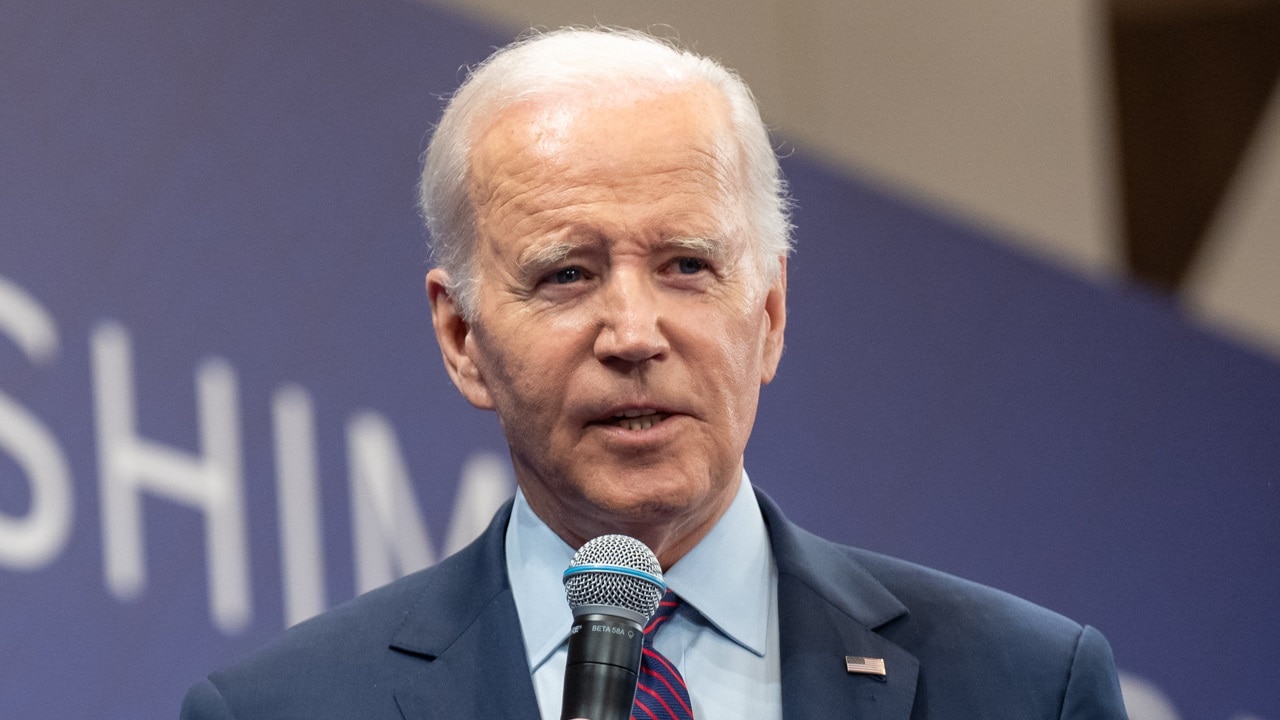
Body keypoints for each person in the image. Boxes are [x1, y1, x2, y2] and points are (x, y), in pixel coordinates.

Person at [181, 28, 1128, 720]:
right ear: (462, 336)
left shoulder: (1024, 688)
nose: (634, 333)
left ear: (768, 315)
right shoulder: (284, 711)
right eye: (566, 274)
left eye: (686, 265)